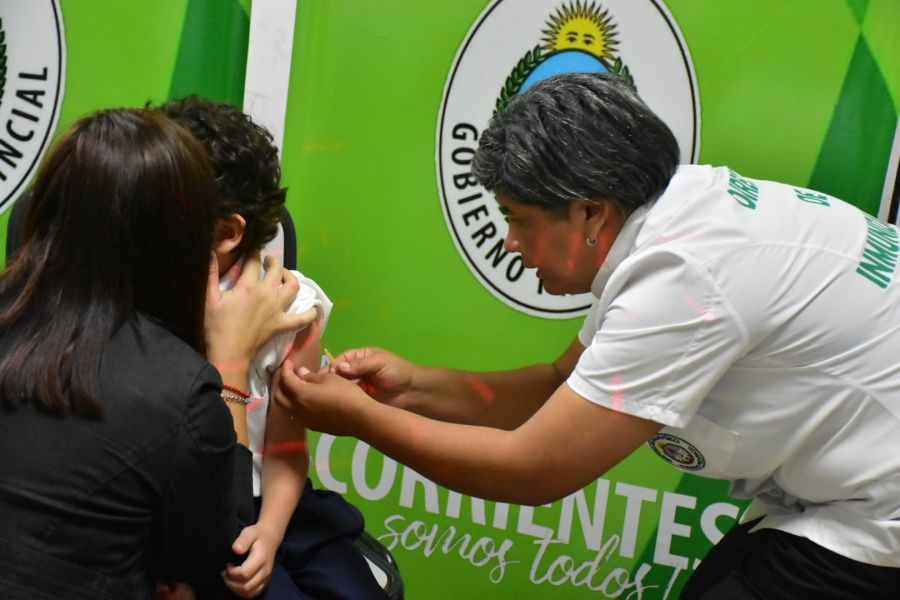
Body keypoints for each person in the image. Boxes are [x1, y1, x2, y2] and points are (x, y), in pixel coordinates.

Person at [277, 72, 900, 599]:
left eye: (519, 220)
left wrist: (360, 419)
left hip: (880, 506)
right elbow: (561, 384)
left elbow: (534, 471)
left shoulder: (685, 279)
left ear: (590, 212)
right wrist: (413, 388)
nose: (511, 244)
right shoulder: (672, 215)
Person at [0, 108, 315, 600]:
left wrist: (268, 531)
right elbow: (217, 552)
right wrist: (229, 366)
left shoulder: (292, 308)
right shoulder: (175, 385)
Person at [159, 97, 388, 600]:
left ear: (226, 233)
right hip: (174, 512)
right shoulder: (144, 293)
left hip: (272, 505)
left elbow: (287, 448)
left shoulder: (294, 310)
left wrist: (269, 531)